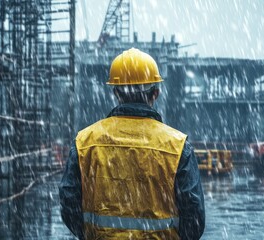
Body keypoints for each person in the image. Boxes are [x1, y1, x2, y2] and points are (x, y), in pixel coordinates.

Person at [59, 48, 205, 239]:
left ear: (116, 92)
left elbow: (68, 200)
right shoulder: (178, 146)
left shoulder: (85, 142)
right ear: (156, 93)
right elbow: (194, 216)